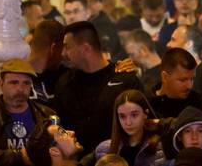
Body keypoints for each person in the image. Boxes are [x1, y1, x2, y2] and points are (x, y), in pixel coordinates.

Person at [54, 21, 142, 153]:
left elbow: (142, 125)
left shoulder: (124, 80)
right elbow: (59, 127)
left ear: (85, 49)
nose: (63, 53)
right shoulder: (64, 83)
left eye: (67, 47)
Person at [0, 58, 57, 164]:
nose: (20, 89)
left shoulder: (47, 115)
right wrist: (21, 156)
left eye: (26, 83)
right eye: (14, 82)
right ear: (1, 84)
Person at [149, 49, 202, 151]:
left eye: (192, 79)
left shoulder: (196, 98)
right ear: (165, 77)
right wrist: (196, 127)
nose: (189, 86)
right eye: (183, 80)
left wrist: (163, 124)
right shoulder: (148, 100)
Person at [94, 90, 165, 166]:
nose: (128, 122)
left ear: (145, 113)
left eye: (134, 115)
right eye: (122, 116)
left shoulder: (160, 148)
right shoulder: (104, 149)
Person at [28, 20, 67, 105]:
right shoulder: (65, 77)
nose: (64, 54)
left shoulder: (15, 77)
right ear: (53, 48)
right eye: (63, 48)